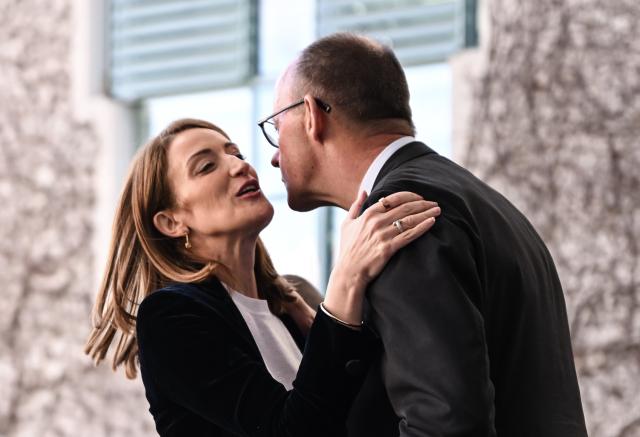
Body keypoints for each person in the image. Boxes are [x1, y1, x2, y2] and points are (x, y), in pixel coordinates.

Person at [260, 32, 588, 436]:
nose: (274, 156)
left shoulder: (396, 219)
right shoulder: (480, 200)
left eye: (277, 126)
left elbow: (446, 425)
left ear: (312, 115)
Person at [84, 118, 441, 437]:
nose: (239, 166)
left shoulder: (290, 306)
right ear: (171, 222)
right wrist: (346, 278)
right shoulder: (169, 318)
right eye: (207, 166)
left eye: (235, 153)